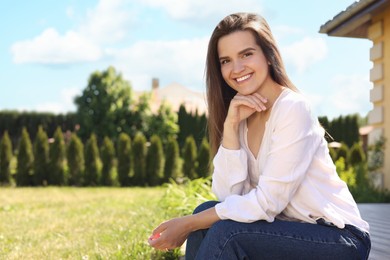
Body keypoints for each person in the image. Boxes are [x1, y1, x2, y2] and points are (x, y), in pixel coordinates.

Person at [148, 12, 371, 259]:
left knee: (224, 231)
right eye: (225, 60)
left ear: (268, 55)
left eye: (246, 54)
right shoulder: (242, 117)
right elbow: (227, 198)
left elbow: (267, 202)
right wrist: (231, 127)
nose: (237, 68)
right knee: (207, 212)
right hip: (287, 228)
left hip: (339, 238)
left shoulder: (293, 108)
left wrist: (189, 222)